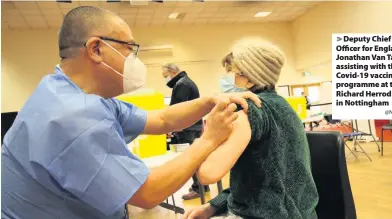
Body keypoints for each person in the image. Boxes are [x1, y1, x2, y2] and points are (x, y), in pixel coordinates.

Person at [1, 6, 261, 219]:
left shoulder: (67, 91)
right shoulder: (72, 116)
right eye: (129, 48)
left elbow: (161, 118)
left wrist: (210, 101)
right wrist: (209, 139)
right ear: (96, 49)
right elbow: (147, 193)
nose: (134, 60)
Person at [183, 41, 319, 219]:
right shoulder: (285, 109)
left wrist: (208, 135)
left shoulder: (249, 111)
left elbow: (208, 173)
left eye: (235, 72)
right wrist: (214, 206)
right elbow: (259, 179)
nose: (231, 79)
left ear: (251, 77)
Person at [161, 63, 210, 200]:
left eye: (165, 76)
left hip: (187, 128)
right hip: (193, 126)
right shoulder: (187, 82)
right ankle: (202, 186)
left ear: (172, 72)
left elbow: (179, 109)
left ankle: (197, 189)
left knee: (191, 159)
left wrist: (174, 127)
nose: (165, 79)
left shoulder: (182, 84)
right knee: (196, 157)